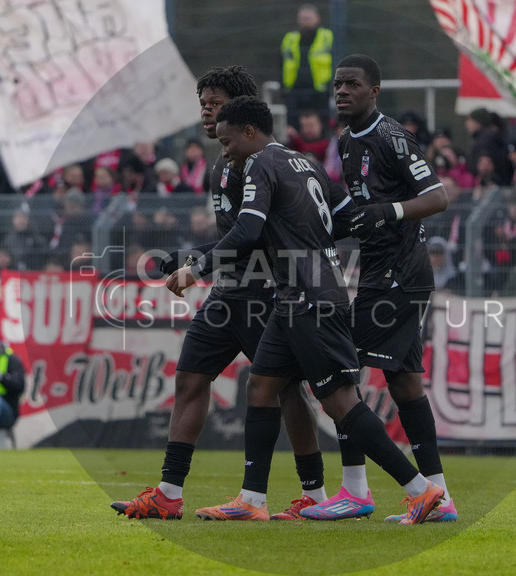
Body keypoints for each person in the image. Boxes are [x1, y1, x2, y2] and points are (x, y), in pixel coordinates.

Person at [166, 95, 444, 524]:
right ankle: (252, 500)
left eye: (226, 142)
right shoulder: (305, 163)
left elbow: (247, 230)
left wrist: (197, 266)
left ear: (250, 133)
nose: (224, 152)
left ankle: (420, 490)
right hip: (295, 297)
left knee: (340, 402)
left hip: (309, 299)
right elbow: (348, 219)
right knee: (261, 386)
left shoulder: (259, 164)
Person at [110, 66, 328, 522]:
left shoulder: (259, 160)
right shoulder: (223, 163)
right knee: (190, 377)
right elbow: (235, 237)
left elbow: (257, 235)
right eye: (202, 102)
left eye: (214, 101)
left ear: (240, 111)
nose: (206, 109)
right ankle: (169, 493)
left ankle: (315, 494)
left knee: (286, 393)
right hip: (227, 293)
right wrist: (190, 257)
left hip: (265, 292)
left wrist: (198, 264)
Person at [304, 53, 456, 523]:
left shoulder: (392, 136)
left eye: (351, 83)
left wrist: (389, 212)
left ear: (375, 90)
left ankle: (356, 490)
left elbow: (438, 197)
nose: (341, 91)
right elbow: (360, 210)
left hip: (398, 274)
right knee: (406, 384)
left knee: (338, 368)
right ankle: (439, 497)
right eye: (336, 85)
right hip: (381, 271)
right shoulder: (347, 141)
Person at [280, 3, 333, 127]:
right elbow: (280, 63)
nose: (305, 22)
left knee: (322, 127)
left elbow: (337, 61)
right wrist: (283, 87)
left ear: (317, 19)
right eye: (303, 19)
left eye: (309, 18)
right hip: (294, 90)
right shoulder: (289, 39)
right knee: (293, 128)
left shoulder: (327, 37)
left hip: (320, 91)